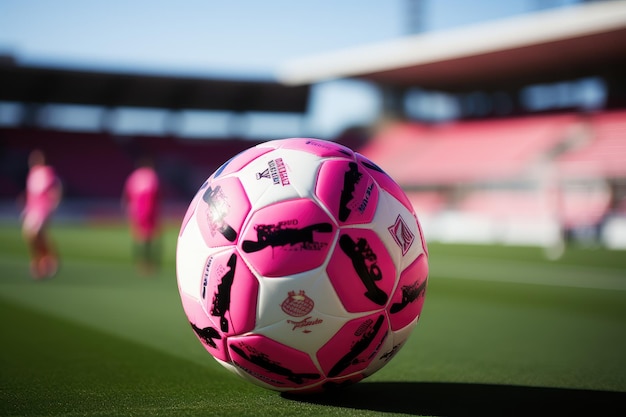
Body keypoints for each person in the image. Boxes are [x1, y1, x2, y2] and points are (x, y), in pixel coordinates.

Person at [20, 149, 63, 279]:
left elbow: (56, 187)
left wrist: (54, 203)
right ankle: (43, 259)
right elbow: (31, 192)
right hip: (32, 209)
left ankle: (46, 261)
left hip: (43, 208)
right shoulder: (32, 174)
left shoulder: (48, 172)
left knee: (36, 233)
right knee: (29, 235)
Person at [122, 156, 161, 275]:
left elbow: (127, 195)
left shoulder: (134, 176)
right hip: (149, 210)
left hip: (137, 211)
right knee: (150, 238)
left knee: (139, 237)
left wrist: (128, 210)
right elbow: (157, 194)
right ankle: (149, 263)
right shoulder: (152, 176)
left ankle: (140, 263)